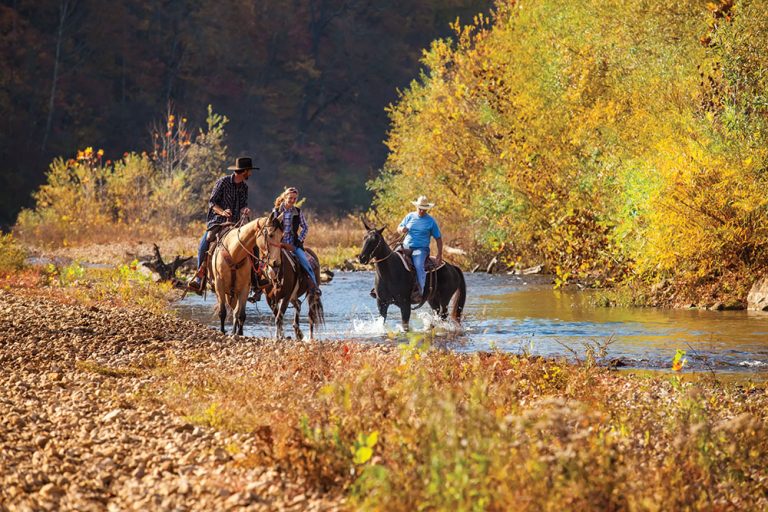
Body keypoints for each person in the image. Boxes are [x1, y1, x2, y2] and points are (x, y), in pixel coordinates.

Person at [188, 156, 257, 292]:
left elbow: (243, 205)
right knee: (205, 241)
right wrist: (222, 212)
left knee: (253, 244)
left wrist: (245, 210)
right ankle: (200, 276)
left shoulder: (244, 187)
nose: (250, 173)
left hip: (236, 224)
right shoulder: (223, 182)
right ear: (244, 171)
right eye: (250, 171)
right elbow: (212, 203)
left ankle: (256, 278)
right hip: (218, 222)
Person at [272, 187, 321, 297]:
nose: (292, 200)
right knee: (263, 262)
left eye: (295, 198)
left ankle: (314, 287)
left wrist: (299, 240)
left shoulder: (298, 212)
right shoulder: (276, 211)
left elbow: (305, 227)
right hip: (277, 245)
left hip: (292, 245)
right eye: (290, 198)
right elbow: (272, 227)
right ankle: (258, 289)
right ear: (285, 197)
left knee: (307, 263)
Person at [397, 195, 443, 301]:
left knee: (418, 265)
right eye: (420, 208)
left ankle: (420, 291)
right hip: (405, 246)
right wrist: (401, 229)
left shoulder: (431, 221)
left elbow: (438, 238)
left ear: (427, 209)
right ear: (416, 207)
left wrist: (439, 254)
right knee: (392, 258)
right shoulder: (410, 216)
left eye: (424, 209)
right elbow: (399, 227)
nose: (422, 211)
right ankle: (383, 287)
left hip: (421, 249)